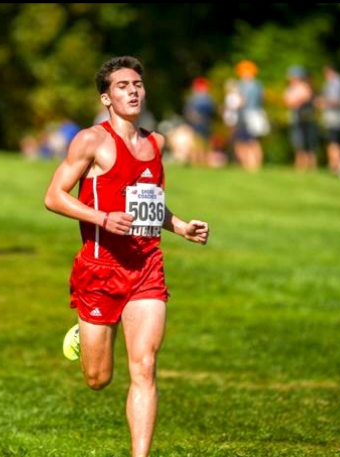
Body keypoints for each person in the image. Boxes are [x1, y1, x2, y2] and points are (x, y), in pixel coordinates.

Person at [44, 56, 209, 457]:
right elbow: (53, 196)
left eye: (137, 83)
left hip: (147, 266)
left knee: (145, 366)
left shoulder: (157, 143)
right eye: (122, 85)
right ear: (106, 97)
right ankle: (85, 331)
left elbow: (152, 206)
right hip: (100, 269)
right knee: (98, 379)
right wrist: (102, 217)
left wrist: (181, 226)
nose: (133, 90)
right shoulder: (91, 141)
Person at [234, 60, 268, 172]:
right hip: (256, 114)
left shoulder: (246, 86)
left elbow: (241, 101)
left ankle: (250, 165)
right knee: (253, 141)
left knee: (247, 141)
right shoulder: (258, 85)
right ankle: (255, 165)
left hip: (247, 116)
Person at [284, 65, 318, 171]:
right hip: (296, 118)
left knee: (308, 142)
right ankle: (299, 164)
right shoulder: (290, 88)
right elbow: (288, 101)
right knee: (297, 142)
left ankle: (311, 164)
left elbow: (301, 99)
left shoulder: (304, 87)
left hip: (305, 118)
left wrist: (295, 101)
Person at [317, 65, 340, 174]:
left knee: (334, 141)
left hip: (335, 116)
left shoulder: (336, 82)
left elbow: (336, 100)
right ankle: (333, 164)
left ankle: (335, 165)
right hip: (331, 116)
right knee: (332, 141)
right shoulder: (332, 82)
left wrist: (323, 102)